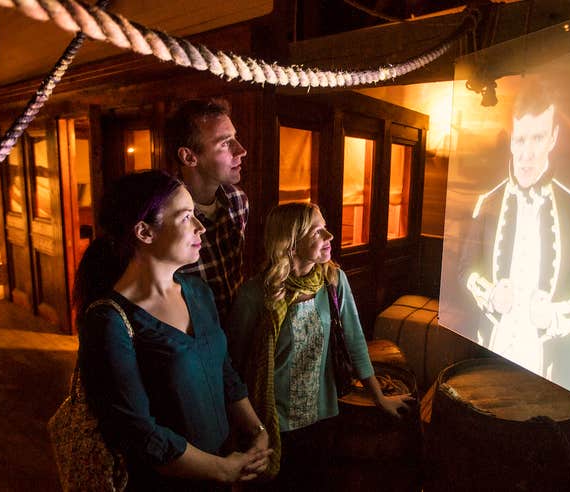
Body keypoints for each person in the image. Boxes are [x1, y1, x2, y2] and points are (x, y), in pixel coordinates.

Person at [74, 170, 271, 491]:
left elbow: (224, 371)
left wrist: (256, 430)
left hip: (223, 469)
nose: (200, 227)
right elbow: (139, 431)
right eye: (186, 217)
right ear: (144, 232)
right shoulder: (109, 322)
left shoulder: (197, 291)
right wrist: (221, 469)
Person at [227, 202, 413, 490]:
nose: (330, 236)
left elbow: (355, 342)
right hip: (274, 422)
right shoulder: (255, 295)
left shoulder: (333, 281)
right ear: (290, 242)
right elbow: (234, 367)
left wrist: (379, 398)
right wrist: (247, 427)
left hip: (322, 415)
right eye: (317, 231)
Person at [460, 81, 570, 378]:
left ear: (553, 138)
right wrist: (491, 296)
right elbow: (465, 269)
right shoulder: (487, 202)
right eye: (520, 140)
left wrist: (554, 316)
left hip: (546, 361)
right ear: (511, 139)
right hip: (491, 346)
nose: (527, 153)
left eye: (537, 138)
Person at [166, 98, 249, 321]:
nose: (241, 150)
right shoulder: (164, 214)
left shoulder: (237, 200)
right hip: (193, 338)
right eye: (225, 143)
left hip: (236, 334)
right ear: (189, 157)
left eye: (235, 138)